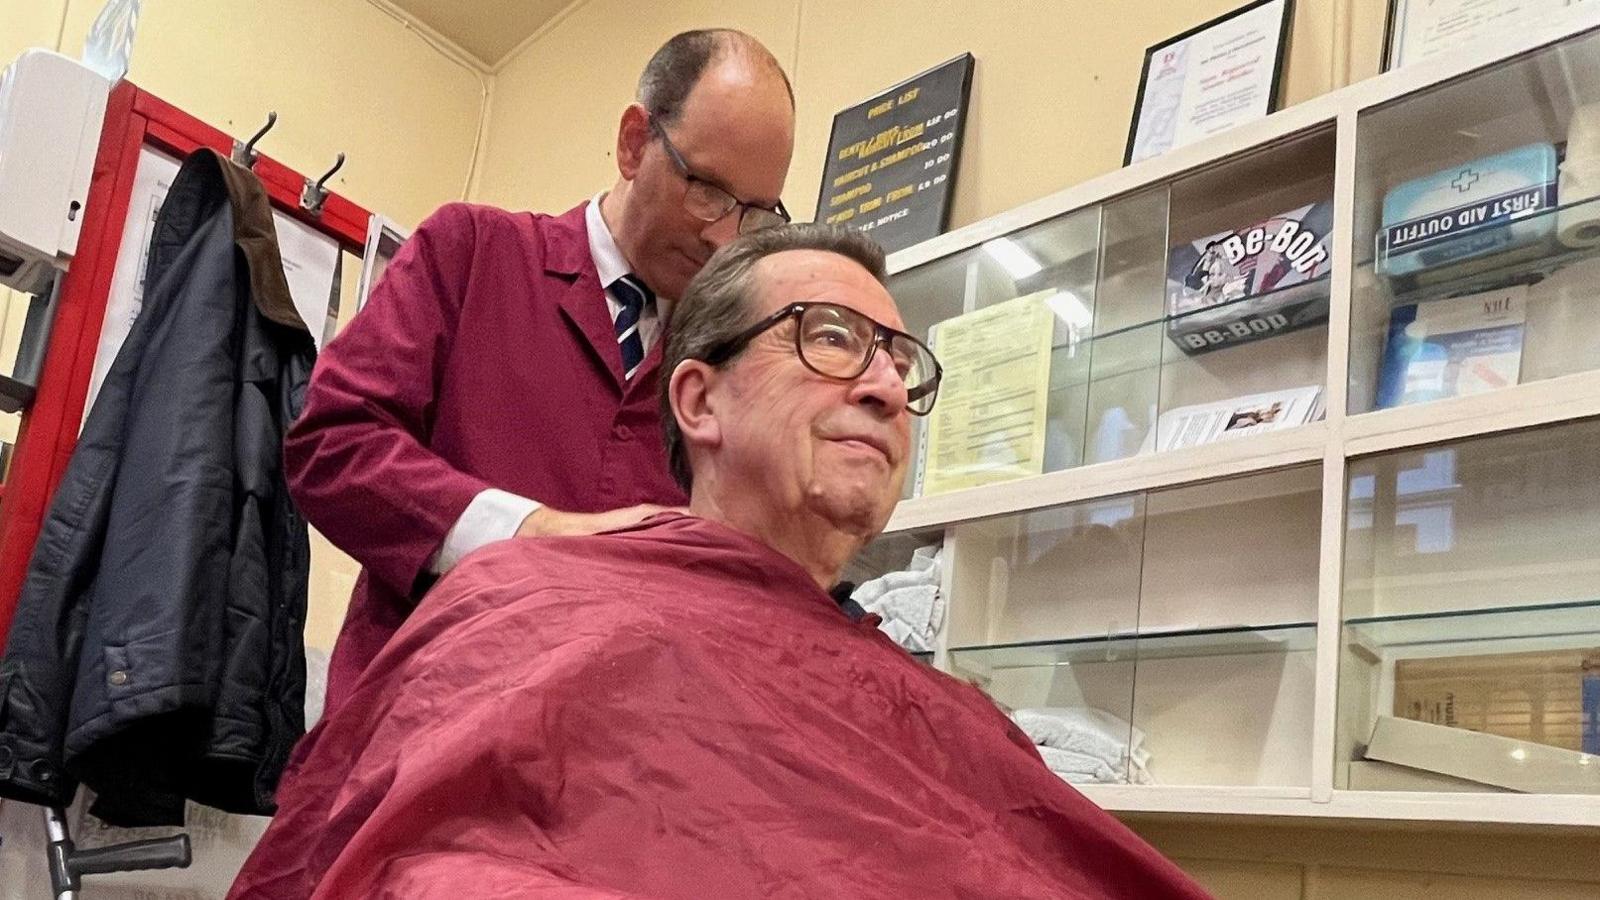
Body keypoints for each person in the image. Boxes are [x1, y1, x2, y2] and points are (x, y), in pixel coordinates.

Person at [229, 224, 1211, 899]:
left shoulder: (947, 717)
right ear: (699, 402)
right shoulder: (521, 600)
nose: (881, 384)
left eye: (899, 364)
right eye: (833, 339)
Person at [284, 29, 797, 714]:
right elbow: (332, 444)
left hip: (600, 774)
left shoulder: (718, 370)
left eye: (758, 214)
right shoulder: (470, 253)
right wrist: (527, 535)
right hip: (408, 740)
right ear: (633, 142)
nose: (725, 237)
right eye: (706, 190)